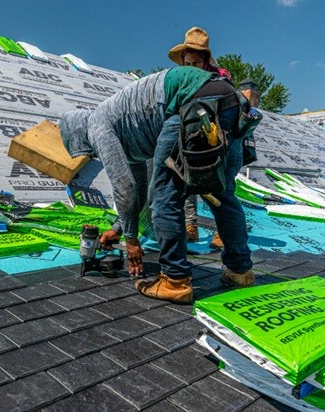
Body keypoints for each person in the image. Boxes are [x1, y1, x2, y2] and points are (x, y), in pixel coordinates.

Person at [59, 66, 255, 304]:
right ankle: (240, 271)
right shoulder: (126, 128)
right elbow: (137, 185)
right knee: (221, 193)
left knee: (163, 197)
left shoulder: (97, 126)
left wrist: (131, 240)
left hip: (191, 103)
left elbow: (124, 188)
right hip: (230, 101)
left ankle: (175, 281)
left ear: (78, 136)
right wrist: (119, 229)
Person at [167, 26, 229, 247]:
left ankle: (223, 232)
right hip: (190, 141)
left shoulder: (219, 80)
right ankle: (190, 227)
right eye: (188, 64)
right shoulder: (180, 82)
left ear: (205, 61)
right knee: (187, 183)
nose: (192, 68)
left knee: (220, 186)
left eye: (197, 63)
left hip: (216, 142)